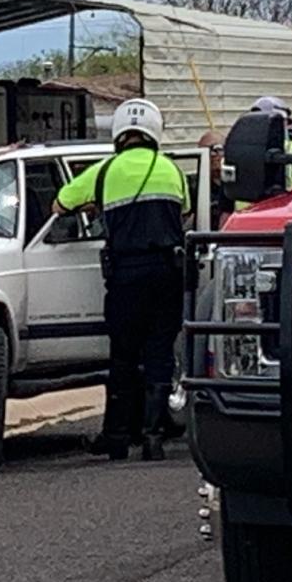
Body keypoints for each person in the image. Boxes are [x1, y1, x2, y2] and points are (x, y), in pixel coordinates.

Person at [54, 98, 189, 461]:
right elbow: (186, 211)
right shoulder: (171, 171)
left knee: (124, 355)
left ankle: (115, 438)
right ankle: (154, 438)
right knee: (160, 352)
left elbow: (60, 204)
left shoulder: (104, 171)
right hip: (168, 273)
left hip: (126, 275)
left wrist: (94, 205)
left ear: (119, 133)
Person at [198, 130, 235, 229]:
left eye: (216, 149)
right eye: (205, 151)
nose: (213, 155)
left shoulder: (237, 185)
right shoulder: (196, 188)